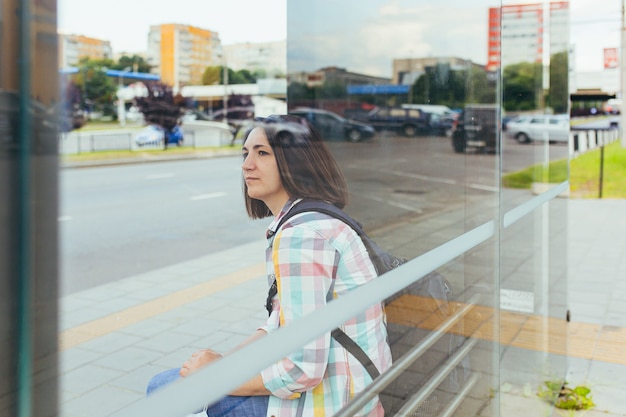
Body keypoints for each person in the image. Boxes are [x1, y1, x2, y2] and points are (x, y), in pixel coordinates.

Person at [147, 114, 392, 416]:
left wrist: (216, 377)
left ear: (296, 162)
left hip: (333, 402)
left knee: (162, 389)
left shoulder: (302, 237)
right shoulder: (312, 218)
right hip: (352, 387)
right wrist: (222, 362)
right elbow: (279, 322)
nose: (247, 164)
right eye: (246, 153)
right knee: (174, 386)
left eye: (262, 153)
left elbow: (302, 370)